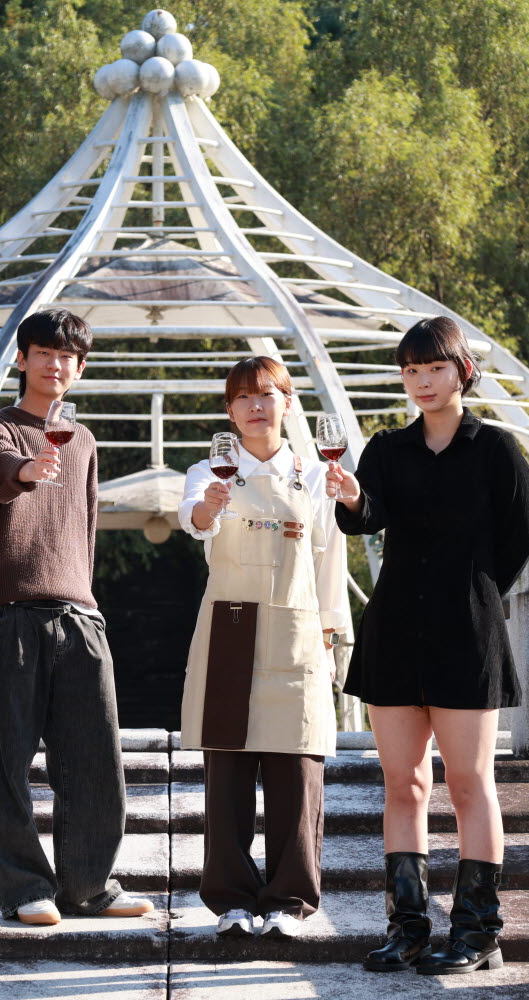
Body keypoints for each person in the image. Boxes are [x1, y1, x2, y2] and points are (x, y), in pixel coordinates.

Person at [328, 316, 529, 975]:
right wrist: (353, 497)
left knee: (471, 783)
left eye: (435, 368)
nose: (422, 381)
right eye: (411, 370)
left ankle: (478, 932)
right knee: (403, 783)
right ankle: (408, 929)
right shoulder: (387, 449)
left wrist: (472, 595)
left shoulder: (496, 449)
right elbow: (365, 517)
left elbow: (519, 540)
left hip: (467, 635)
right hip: (393, 633)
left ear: (462, 371)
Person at [0, 308, 154, 926]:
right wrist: (28, 469)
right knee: (8, 763)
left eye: (67, 356)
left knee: (96, 759)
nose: (55, 364)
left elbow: (86, 528)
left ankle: (89, 886)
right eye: (43, 352)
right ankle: (25, 889)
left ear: (80, 368)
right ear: (22, 359)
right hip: (9, 614)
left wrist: (86, 598)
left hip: (79, 613)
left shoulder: (85, 441)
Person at [176, 356, 350, 940]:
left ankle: (290, 901)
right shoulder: (209, 471)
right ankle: (230, 900)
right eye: (244, 397)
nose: (256, 406)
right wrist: (210, 505)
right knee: (226, 775)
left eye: (267, 394)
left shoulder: (315, 475)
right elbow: (195, 518)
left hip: (297, 632)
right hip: (230, 630)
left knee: (296, 773)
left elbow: (330, 560)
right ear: (230, 410)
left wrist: (331, 635)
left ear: (287, 403)